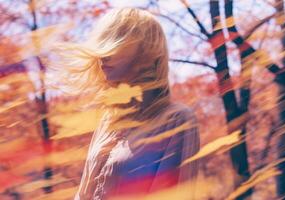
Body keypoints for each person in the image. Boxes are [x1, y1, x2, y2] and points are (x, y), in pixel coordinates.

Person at [49, 7, 201, 200]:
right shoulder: (108, 121)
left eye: (115, 42)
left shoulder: (177, 119)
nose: (103, 55)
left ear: (145, 51)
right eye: (102, 43)